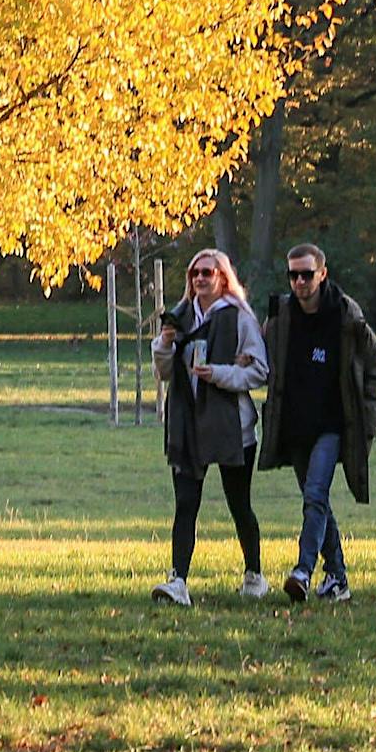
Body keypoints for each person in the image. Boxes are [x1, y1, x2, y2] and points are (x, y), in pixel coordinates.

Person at [258, 241, 376, 604]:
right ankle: (338, 578)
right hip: (295, 425)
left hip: (333, 425)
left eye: (306, 274)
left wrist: (369, 416)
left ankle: (302, 570)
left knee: (315, 495)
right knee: (317, 501)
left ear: (322, 274)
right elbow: (263, 360)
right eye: (293, 275)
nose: (299, 282)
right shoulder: (281, 316)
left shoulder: (346, 316)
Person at [151, 247, 270, 606]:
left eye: (207, 272)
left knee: (239, 504)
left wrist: (219, 374)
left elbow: (259, 371)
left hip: (232, 426)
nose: (200, 279)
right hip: (187, 423)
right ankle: (178, 581)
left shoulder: (240, 319)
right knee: (186, 503)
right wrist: (165, 344)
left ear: (223, 277)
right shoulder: (180, 316)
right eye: (195, 273)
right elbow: (164, 372)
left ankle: (254, 574)